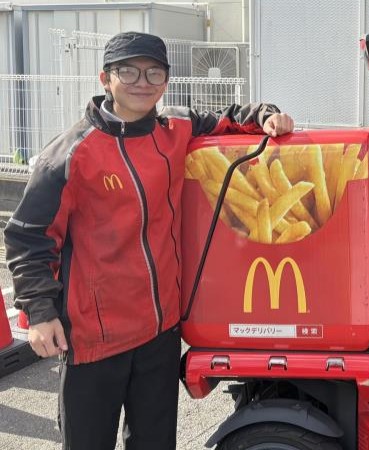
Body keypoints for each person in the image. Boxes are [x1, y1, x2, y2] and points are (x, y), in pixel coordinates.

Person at [4, 31, 294, 450]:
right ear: (106, 78)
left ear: (166, 81)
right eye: (128, 71)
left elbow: (233, 116)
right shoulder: (71, 153)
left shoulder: (175, 128)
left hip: (160, 331)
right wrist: (39, 310)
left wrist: (269, 114)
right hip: (94, 338)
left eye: (153, 72)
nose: (142, 81)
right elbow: (28, 235)